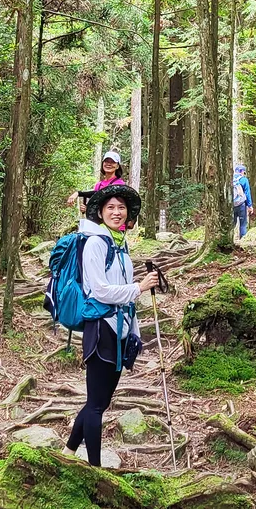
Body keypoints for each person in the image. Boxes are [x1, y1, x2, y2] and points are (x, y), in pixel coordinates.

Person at [63, 184, 159, 467]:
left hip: (119, 330)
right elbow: (101, 290)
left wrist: (134, 333)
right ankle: (95, 469)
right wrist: (139, 287)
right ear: (101, 213)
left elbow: (126, 294)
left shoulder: (120, 245)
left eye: (121, 208)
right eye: (110, 208)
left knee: (99, 402)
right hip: (101, 329)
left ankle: (68, 453)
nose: (117, 213)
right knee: (95, 405)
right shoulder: (95, 243)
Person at [233, 163, 253, 240]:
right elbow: (247, 193)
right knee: (243, 224)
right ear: (242, 171)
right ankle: (243, 240)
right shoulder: (244, 180)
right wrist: (250, 206)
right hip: (241, 204)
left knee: (232, 224)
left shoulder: (230, 179)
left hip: (232, 205)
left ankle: (228, 239)